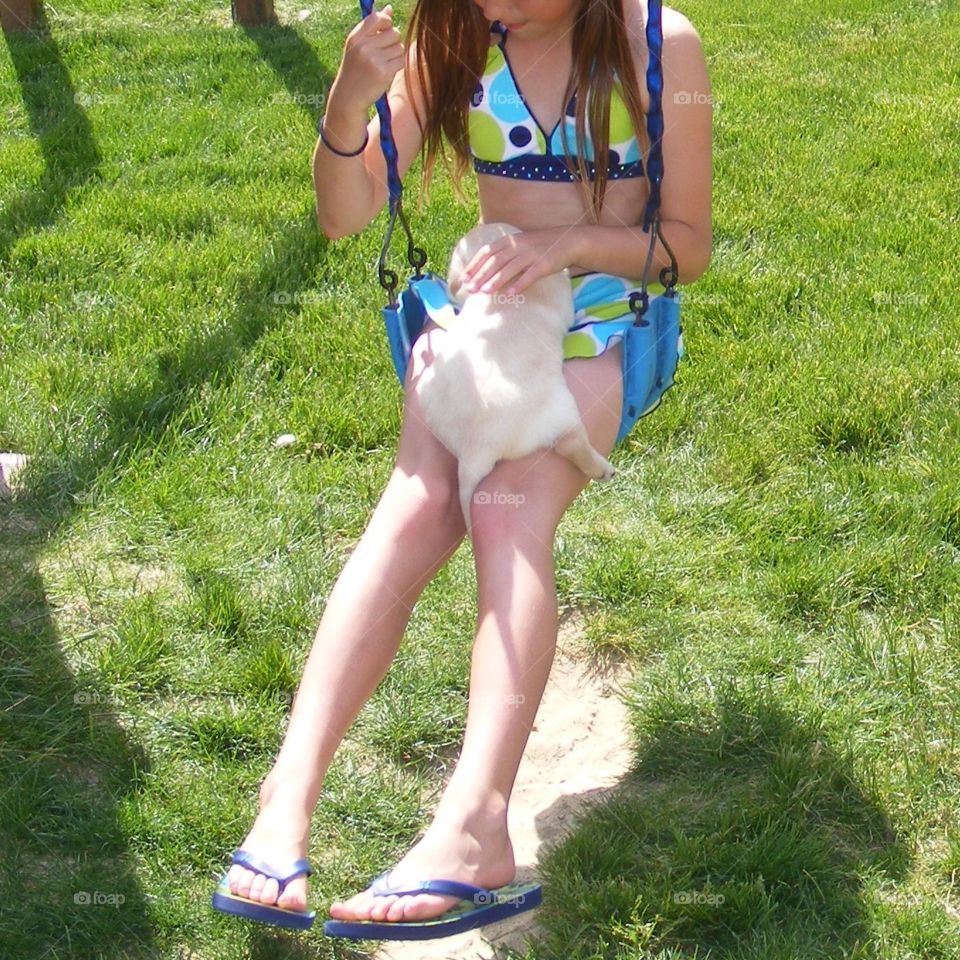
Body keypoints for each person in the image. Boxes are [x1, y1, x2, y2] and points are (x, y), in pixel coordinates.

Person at [213, 0, 712, 937]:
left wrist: (566, 245)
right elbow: (343, 215)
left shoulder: (657, 46)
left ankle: (476, 825)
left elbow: (684, 247)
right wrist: (349, 104)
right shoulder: (452, 33)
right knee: (415, 505)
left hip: (609, 310)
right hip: (490, 316)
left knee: (507, 506)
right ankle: (286, 800)